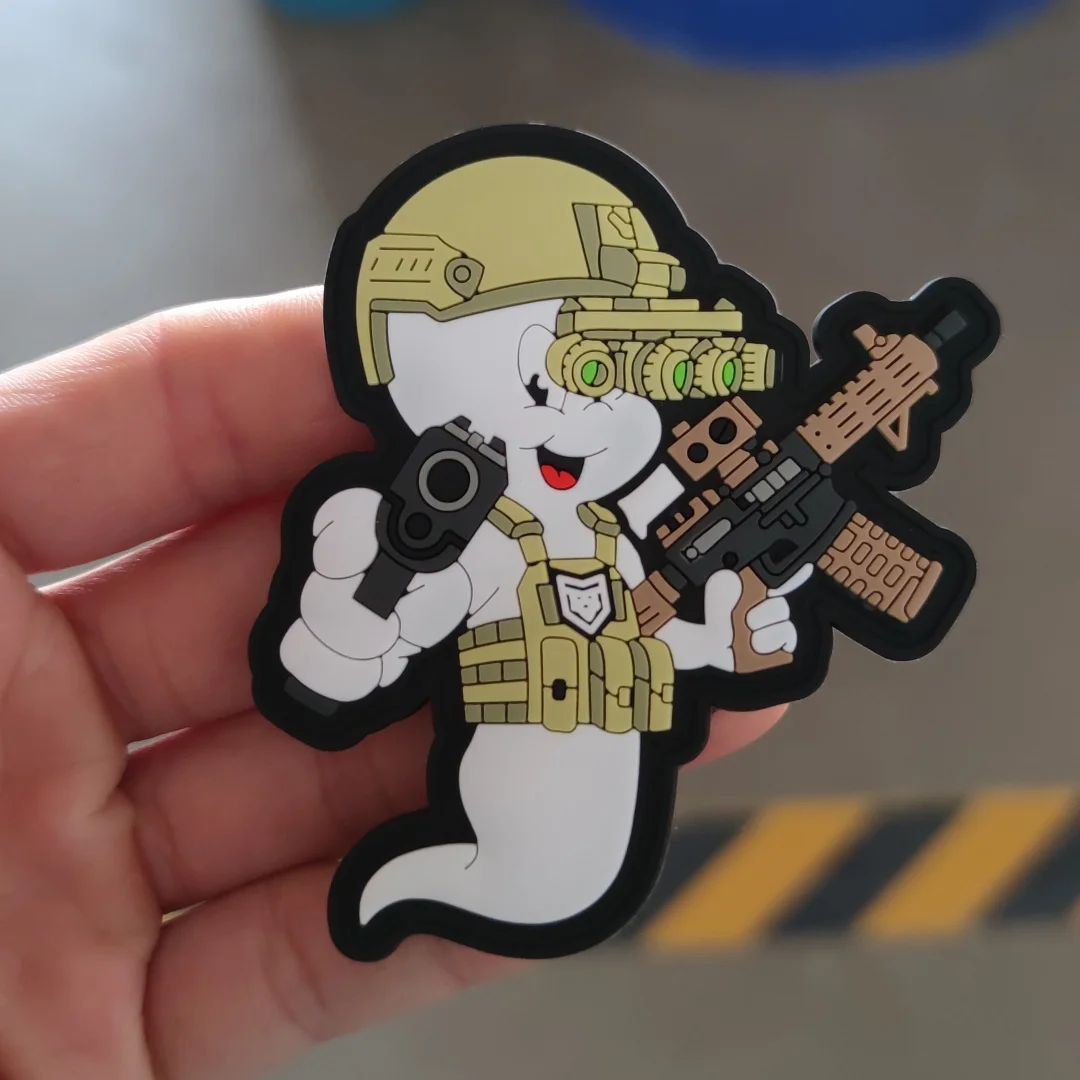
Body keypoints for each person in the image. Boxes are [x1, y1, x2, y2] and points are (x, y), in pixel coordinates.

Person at [0, 289, 787, 1079]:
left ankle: (473, 881)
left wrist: (719, 639)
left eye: (618, 390)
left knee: (552, 889)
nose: (572, 424)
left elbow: (637, 634)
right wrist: (362, 617)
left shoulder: (610, 540)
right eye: (544, 384)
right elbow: (387, 638)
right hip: (518, 779)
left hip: (606, 798)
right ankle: (463, 878)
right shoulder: (487, 539)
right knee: (515, 884)